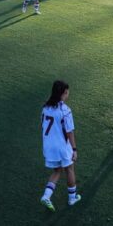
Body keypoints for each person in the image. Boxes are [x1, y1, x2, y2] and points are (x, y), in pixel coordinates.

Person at [39, 80, 80, 211]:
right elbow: (69, 132)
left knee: (57, 170)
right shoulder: (65, 110)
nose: (68, 95)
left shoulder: (45, 107)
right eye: (67, 92)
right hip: (61, 146)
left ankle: (46, 196)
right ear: (63, 93)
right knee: (69, 169)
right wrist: (74, 149)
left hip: (48, 146)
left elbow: (41, 125)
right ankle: (72, 198)